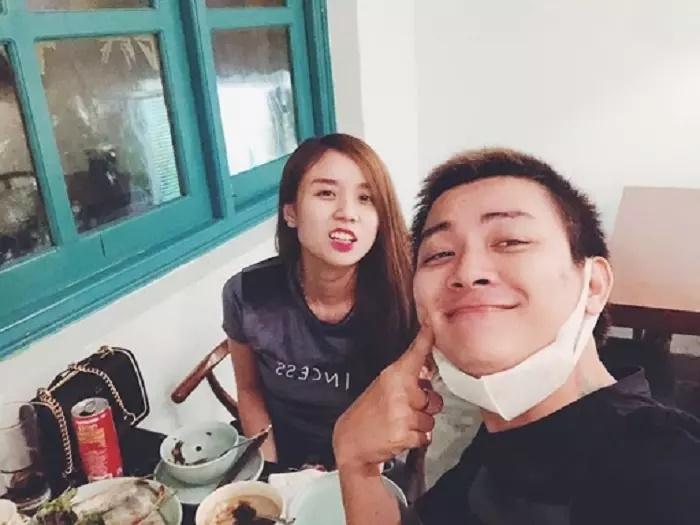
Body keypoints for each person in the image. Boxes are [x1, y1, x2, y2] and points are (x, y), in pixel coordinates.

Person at [333, 148, 700, 524]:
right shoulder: (489, 456)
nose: (467, 272)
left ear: (593, 284)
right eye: (440, 254)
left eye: (510, 242)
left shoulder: (671, 478)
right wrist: (356, 463)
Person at [222, 133, 414, 469]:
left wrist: (355, 472)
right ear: (291, 213)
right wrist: (273, 471)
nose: (347, 213)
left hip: (373, 463)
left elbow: (409, 409)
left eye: (366, 198)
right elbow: (249, 391)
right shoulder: (248, 294)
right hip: (284, 461)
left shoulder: (407, 296)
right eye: (326, 193)